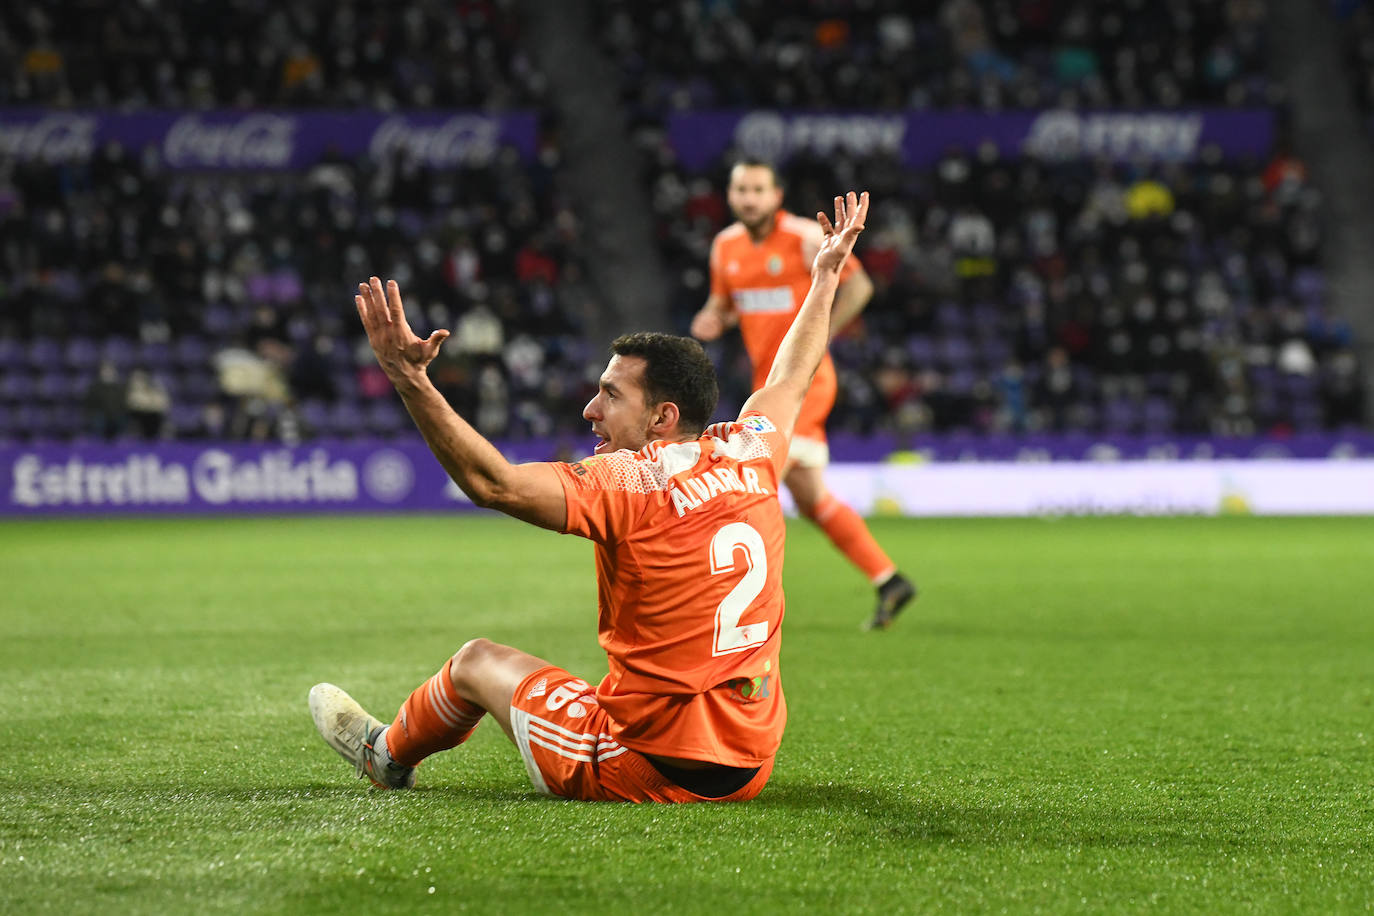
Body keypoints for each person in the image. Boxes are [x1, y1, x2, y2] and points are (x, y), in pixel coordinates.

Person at [310, 191, 872, 803]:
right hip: (749, 762)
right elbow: (792, 376)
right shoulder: (754, 451)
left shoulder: (629, 482)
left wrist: (408, 378)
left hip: (651, 763)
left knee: (475, 662)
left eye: (610, 395)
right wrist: (824, 278)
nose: (590, 410)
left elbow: (490, 483)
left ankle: (382, 755)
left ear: (662, 417)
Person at [691, 160, 916, 630]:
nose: (748, 197)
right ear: (731, 196)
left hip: (806, 384)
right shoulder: (725, 247)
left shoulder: (803, 237)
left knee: (748, 482)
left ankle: (721, 606)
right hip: (766, 387)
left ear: (776, 195)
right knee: (812, 500)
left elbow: (860, 284)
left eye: (757, 189)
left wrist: (822, 335)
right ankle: (888, 579)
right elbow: (723, 304)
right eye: (740, 189)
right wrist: (713, 319)